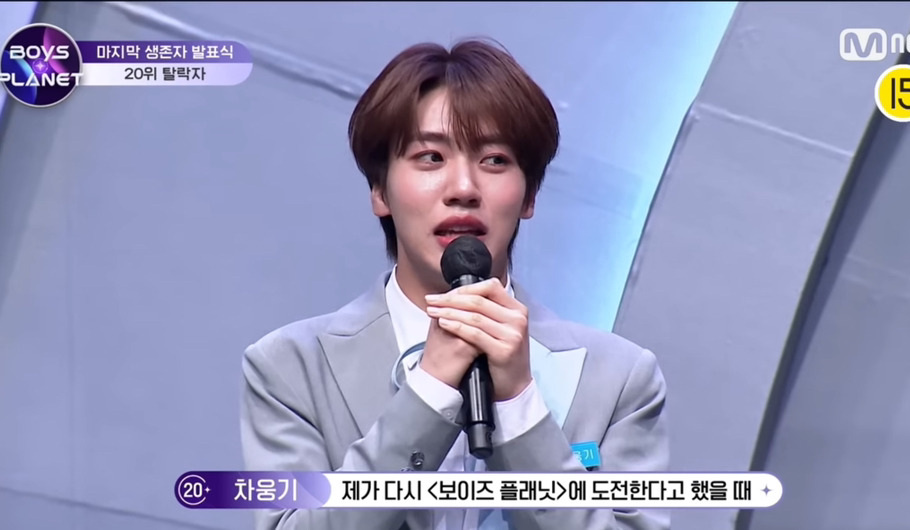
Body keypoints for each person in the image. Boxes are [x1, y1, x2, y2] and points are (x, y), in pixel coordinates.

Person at [240, 38, 671, 530]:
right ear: (380, 190)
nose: (463, 188)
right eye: (430, 157)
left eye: (494, 160)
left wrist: (520, 406)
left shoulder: (619, 380)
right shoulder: (290, 368)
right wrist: (428, 393)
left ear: (529, 195)